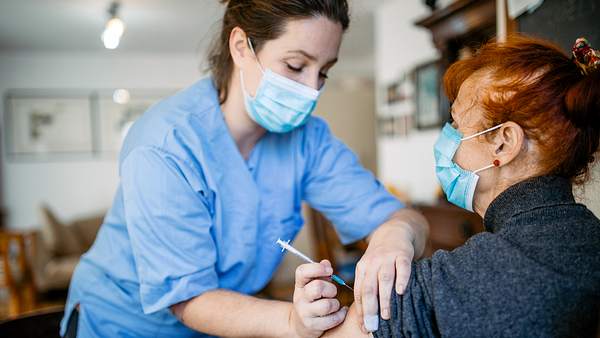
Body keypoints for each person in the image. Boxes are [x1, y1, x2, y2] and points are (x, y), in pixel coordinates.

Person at [59, 1, 429, 337]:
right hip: (122, 324)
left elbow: (403, 217)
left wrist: (394, 235)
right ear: (241, 47)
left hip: (220, 322)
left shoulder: (308, 140)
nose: (312, 89)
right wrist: (292, 322)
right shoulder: (165, 144)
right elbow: (189, 298)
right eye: (296, 66)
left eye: (324, 72)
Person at [297, 35, 600, 337]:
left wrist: (299, 323)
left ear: (503, 143)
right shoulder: (589, 237)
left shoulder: (462, 280)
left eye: (456, 124)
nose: (448, 138)